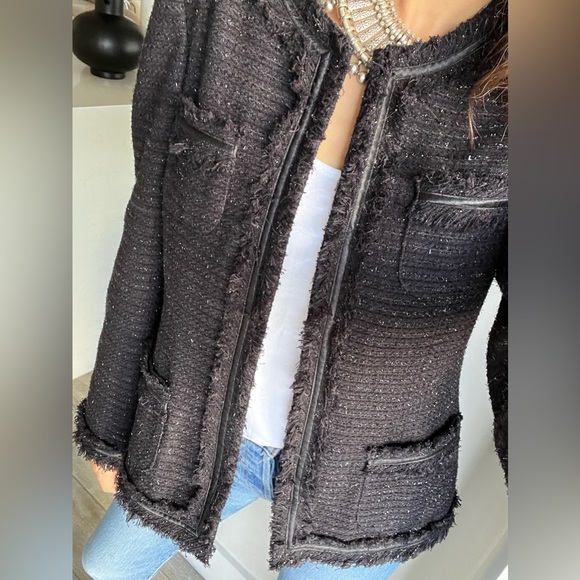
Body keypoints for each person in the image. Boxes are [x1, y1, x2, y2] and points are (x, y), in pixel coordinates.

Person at [74, 0, 508, 578]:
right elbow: (150, 213)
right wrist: (109, 424)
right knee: (107, 566)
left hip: (366, 486)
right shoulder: (222, 14)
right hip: (186, 423)